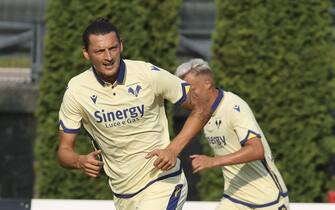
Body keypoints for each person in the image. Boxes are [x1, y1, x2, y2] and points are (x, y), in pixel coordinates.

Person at [57, 18, 210, 210]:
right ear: (86, 54)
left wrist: (173, 149)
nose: (108, 57)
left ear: (121, 45)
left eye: (113, 48)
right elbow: (63, 151)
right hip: (123, 195)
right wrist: (79, 161)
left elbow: (203, 105)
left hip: (163, 182)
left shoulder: (147, 74)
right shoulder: (77, 90)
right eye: (99, 51)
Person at [175, 59, 290, 210]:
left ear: (207, 83)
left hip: (268, 201)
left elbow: (257, 150)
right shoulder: (201, 113)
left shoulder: (234, 106)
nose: (188, 95)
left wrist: (212, 161)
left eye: (191, 89)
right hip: (235, 198)